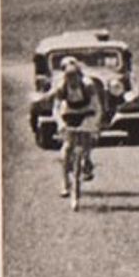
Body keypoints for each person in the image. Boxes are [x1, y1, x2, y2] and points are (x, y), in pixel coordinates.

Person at [43, 56, 106, 196]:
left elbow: (97, 106)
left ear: (79, 75)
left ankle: (86, 160)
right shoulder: (61, 86)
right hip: (69, 113)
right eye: (69, 78)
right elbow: (56, 108)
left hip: (87, 111)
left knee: (87, 138)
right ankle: (65, 183)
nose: (72, 81)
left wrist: (95, 124)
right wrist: (60, 123)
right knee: (66, 147)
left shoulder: (88, 85)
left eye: (74, 77)